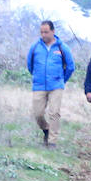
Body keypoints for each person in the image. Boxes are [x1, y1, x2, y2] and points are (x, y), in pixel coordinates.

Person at [27, 19, 75, 147]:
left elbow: (70, 67)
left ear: (53, 31)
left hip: (56, 86)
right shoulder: (35, 47)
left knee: (54, 113)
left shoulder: (62, 47)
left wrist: (61, 79)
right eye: (42, 32)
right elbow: (29, 65)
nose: (44, 35)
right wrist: (37, 76)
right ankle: (46, 130)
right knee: (37, 114)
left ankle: (52, 141)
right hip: (39, 85)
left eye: (46, 32)